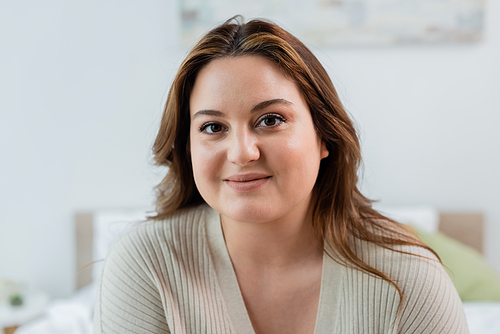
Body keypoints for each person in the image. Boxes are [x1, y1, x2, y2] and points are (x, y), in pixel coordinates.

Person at [94, 17, 469, 333]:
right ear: (187, 147)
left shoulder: (408, 278)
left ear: (325, 136)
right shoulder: (145, 265)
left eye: (270, 120)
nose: (242, 152)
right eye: (212, 127)